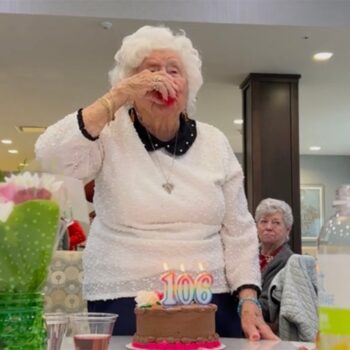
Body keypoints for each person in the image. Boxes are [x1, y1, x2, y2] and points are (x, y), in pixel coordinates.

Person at [35, 25, 277, 341]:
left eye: (173, 70)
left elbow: (239, 229)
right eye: (150, 71)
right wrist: (117, 96)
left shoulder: (215, 142)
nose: (162, 78)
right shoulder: (107, 134)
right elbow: (49, 155)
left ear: (190, 86)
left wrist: (248, 298)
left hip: (209, 296)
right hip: (124, 293)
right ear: (130, 83)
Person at [254, 198, 294, 325]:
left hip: (268, 332)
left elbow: (268, 308)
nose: (268, 227)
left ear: (288, 229)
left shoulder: (289, 261)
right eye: (263, 221)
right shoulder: (249, 255)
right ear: (256, 226)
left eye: (276, 223)